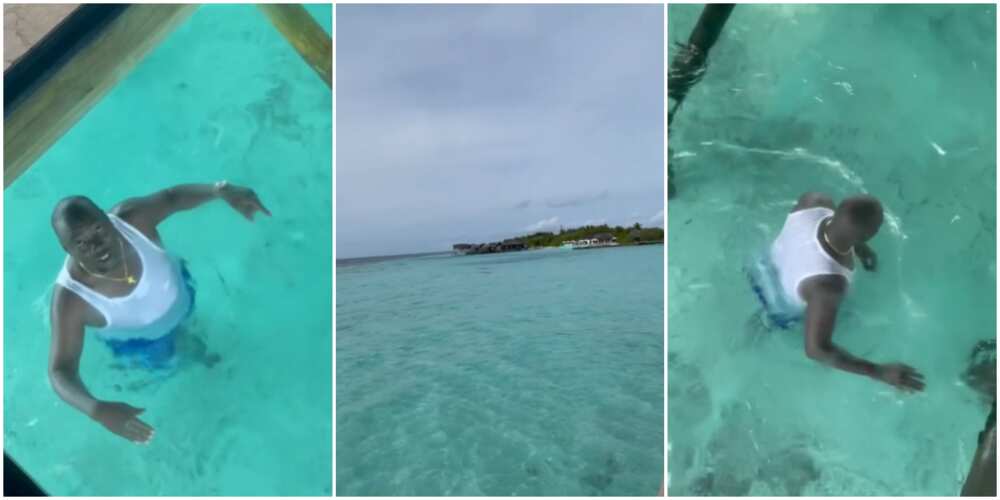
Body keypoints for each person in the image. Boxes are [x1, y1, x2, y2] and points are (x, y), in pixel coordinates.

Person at [48, 181, 271, 444]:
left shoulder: (133, 220)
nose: (98, 245)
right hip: (145, 344)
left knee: (218, 356)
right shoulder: (72, 300)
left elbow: (173, 197)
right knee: (195, 376)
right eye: (82, 244)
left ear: (108, 219)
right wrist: (97, 410)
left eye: (98, 229)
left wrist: (218, 191)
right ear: (67, 250)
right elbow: (60, 370)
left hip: (185, 295)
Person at [763, 192, 925, 391]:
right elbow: (815, 349)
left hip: (765, 268)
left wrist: (859, 248)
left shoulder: (815, 201)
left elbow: (834, 235)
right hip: (781, 310)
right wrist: (879, 372)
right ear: (867, 235)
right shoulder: (829, 285)